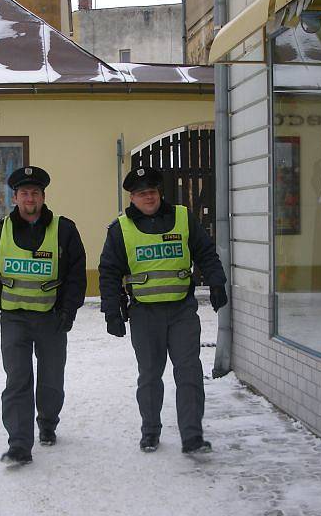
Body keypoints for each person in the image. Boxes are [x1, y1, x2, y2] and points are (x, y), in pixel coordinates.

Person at [98, 165, 228, 454]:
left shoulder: (182, 218)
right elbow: (108, 272)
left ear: (160, 193)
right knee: (149, 375)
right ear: (132, 198)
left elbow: (206, 252)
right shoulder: (121, 229)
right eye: (141, 194)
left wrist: (217, 282)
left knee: (189, 372)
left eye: (152, 192)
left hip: (182, 310)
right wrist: (112, 312)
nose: (148, 197)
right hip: (144, 314)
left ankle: (193, 436)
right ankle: (150, 431)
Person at [0, 165, 86, 466]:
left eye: (35, 192)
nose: (29, 197)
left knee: (51, 380)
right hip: (14, 319)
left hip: (51, 318)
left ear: (43, 196)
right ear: (15, 198)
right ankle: (19, 444)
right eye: (24, 193)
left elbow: (76, 275)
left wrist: (69, 311)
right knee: (18, 381)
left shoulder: (64, 230)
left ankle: (47, 423)